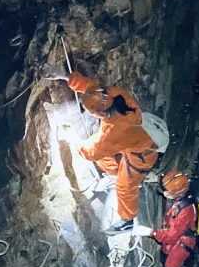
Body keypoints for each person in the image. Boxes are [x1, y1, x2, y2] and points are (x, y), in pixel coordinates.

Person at [65, 71, 160, 232]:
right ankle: (115, 172)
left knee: (124, 187)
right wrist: (67, 77)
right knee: (101, 150)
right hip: (136, 138)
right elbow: (90, 87)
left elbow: (93, 152)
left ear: (100, 113)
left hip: (142, 154)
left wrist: (75, 142)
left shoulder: (117, 129)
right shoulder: (114, 95)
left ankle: (127, 221)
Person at [137, 171, 197, 267]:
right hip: (172, 239)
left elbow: (171, 236)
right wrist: (155, 178)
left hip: (182, 243)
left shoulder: (186, 211)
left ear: (178, 193)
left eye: (168, 192)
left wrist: (150, 232)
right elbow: (167, 178)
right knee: (164, 259)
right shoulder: (177, 188)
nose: (165, 194)